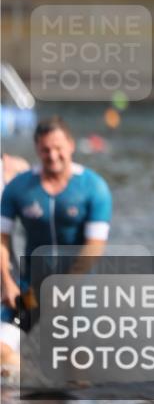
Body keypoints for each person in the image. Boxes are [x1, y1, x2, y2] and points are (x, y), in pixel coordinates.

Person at [0, 117, 113, 372]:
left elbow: (95, 246)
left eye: (58, 148)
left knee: (75, 369)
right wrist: (6, 282)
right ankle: (26, 390)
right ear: (37, 149)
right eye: (45, 149)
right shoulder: (19, 188)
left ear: (71, 145)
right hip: (32, 292)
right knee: (1, 352)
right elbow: (1, 238)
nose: (52, 155)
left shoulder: (94, 188)